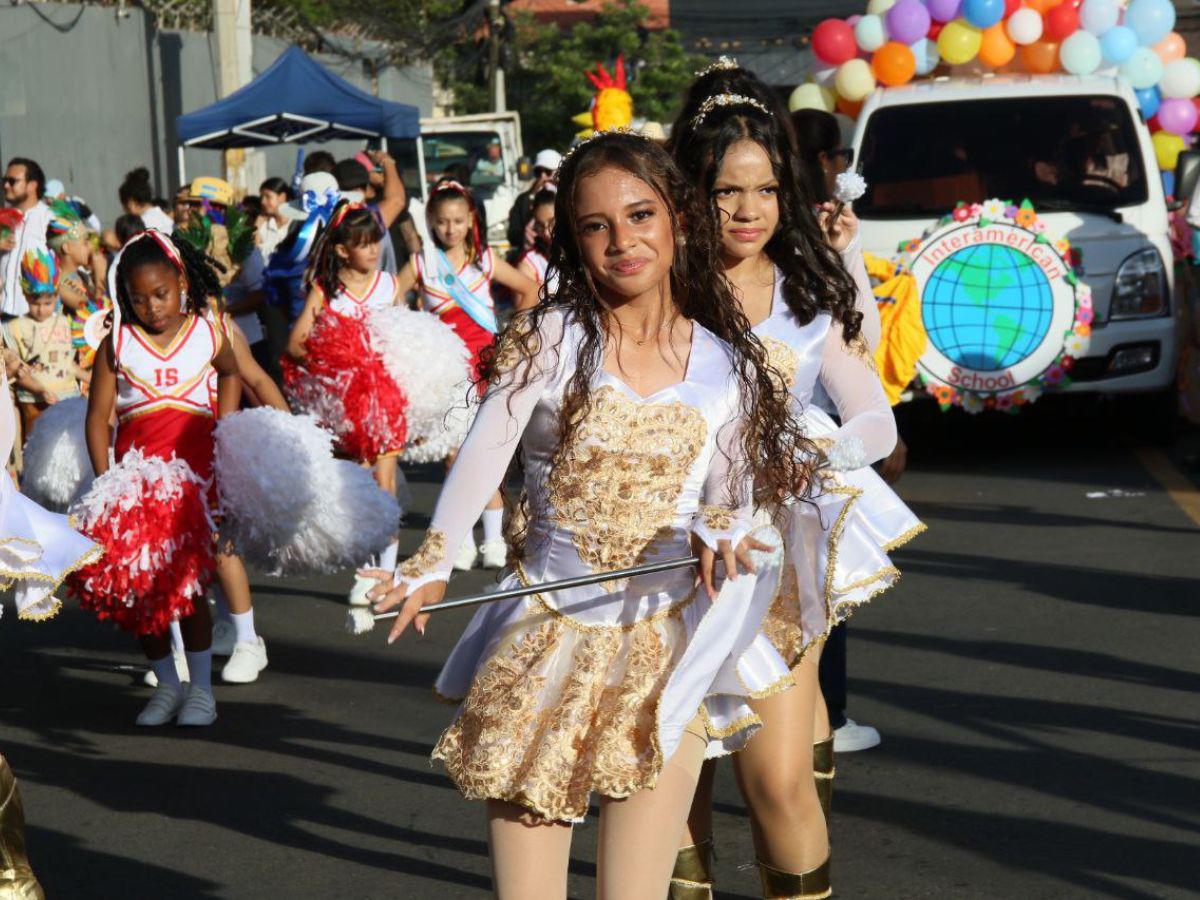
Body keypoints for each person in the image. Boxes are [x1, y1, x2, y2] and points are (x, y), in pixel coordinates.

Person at [365, 129, 810, 900]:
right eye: (596, 225)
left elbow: (735, 499)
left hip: (664, 650)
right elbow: (484, 450)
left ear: (677, 218)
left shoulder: (731, 364)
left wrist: (729, 529)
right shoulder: (547, 338)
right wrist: (433, 558)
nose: (622, 241)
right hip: (542, 638)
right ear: (573, 239)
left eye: (640, 215)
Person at [667, 68, 923, 898]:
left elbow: (871, 415)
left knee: (776, 782)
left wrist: (826, 458)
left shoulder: (808, 293)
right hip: (665, 550)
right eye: (727, 191)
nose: (750, 209)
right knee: (668, 793)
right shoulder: (653, 288)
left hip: (774, 557)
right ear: (689, 191)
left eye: (767, 188)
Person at [71, 229, 240, 727]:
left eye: (161, 294)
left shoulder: (208, 332)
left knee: (187, 589)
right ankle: (167, 684)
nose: (152, 307)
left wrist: (226, 429)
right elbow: (98, 418)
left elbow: (231, 373)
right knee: (140, 593)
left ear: (181, 282)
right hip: (133, 487)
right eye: (139, 298)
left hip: (194, 483)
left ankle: (202, 690)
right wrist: (108, 485)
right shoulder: (117, 343)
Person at [794, 106, 908, 749]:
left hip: (821, 425)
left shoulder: (821, 234)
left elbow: (854, 348)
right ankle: (825, 719)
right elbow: (858, 330)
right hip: (805, 428)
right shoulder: (810, 237)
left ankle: (816, 723)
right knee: (819, 583)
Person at [394, 179, 538, 572]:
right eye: (442, 222)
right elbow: (391, 303)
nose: (450, 228)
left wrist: (515, 335)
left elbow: (529, 290)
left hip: (486, 368)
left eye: (458, 220)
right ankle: (465, 540)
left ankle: (491, 539)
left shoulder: (485, 260)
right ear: (431, 222)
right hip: (445, 371)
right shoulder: (422, 264)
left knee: (482, 452)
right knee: (454, 456)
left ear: (470, 219)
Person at [285, 202, 406, 597]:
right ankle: (363, 568)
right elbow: (297, 344)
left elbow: (408, 334)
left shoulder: (389, 285)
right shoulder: (325, 291)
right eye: (363, 244)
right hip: (345, 404)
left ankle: (386, 574)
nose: (372, 250)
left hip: (384, 397)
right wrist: (339, 361)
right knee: (355, 483)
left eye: (375, 242)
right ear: (341, 250)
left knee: (385, 479)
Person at [5, 249, 82, 435]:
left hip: (68, 395)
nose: (40, 310)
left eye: (47, 304)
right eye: (34, 303)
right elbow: (16, 368)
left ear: (56, 297)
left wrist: (89, 378)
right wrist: (39, 390)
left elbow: (69, 363)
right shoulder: (16, 327)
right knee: (36, 447)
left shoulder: (67, 323)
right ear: (25, 295)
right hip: (33, 401)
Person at [333, 151, 407, 274]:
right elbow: (397, 200)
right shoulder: (365, 219)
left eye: (359, 187)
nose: (355, 193)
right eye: (348, 189)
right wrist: (387, 161)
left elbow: (397, 200)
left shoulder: (326, 220)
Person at [2, 157, 53, 318]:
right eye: (4, 180)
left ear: (32, 185)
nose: (6, 185)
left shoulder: (50, 218)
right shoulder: (2, 217)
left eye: (12, 181)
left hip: (33, 318)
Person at [506, 148, 562, 253]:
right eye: (538, 172)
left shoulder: (570, 197)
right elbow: (513, 235)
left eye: (548, 172)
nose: (543, 177)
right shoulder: (523, 200)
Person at [516, 187, 559, 298]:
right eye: (540, 226)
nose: (546, 233)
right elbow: (521, 313)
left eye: (552, 223)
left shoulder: (584, 252)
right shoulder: (530, 262)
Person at [119, 167, 175, 234]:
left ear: (131, 203)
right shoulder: (164, 218)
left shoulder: (141, 226)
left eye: (124, 205)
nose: (124, 210)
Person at [257, 177, 291, 260]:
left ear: (282, 197)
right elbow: (255, 256)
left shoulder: (295, 224)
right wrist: (256, 228)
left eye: (268, 196)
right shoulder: (263, 225)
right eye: (262, 197)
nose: (263, 202)